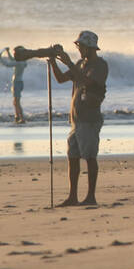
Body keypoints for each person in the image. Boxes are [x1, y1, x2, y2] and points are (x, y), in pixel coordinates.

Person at [48, 30, 108, 207]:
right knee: (72, 157)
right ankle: (72, 196)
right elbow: (60, 79)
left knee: (89, 157)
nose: (79, 49)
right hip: (76, 119)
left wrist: (67, 61)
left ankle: (91, 196)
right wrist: (54, 62)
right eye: (78, 45)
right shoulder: (81, 63)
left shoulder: (100, 65)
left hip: (89, 118)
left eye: (81, 46)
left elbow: (87, 82)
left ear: (90, 47)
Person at [0, 48, 28, 123]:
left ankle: (22, 118)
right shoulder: (23, 61)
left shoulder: (19, 63)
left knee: (17, 102)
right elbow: (12, 59)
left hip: (17, 83)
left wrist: (0, 58)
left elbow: (8, 64)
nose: (14, 55)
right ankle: (17, 117)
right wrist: (8, 52)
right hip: (19, 83)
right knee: (15, 101)